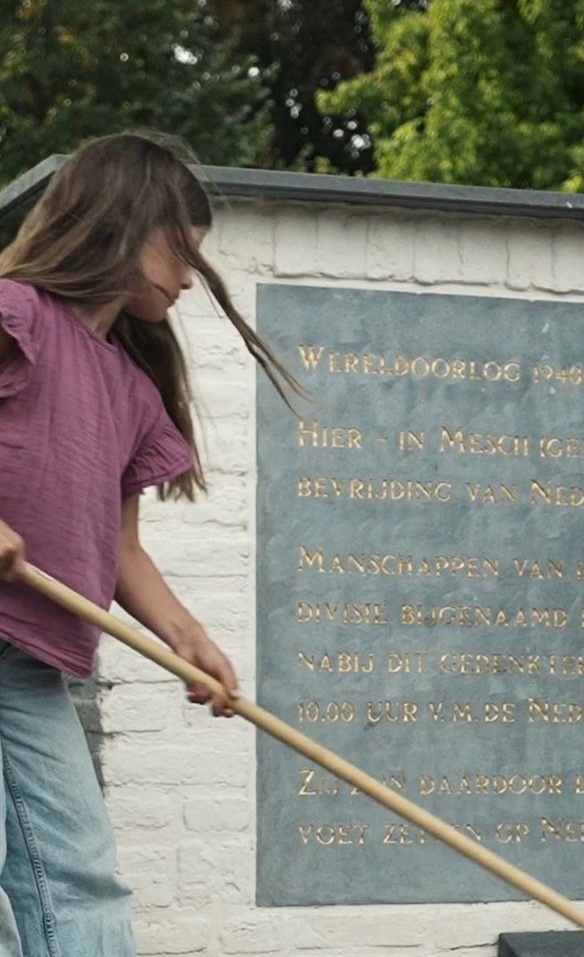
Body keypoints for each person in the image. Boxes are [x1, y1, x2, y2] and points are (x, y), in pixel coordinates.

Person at [0, 131, 298, 957]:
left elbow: (121, 545)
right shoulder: (14, 312)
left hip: (29, 662)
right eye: (183, 253)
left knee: (81, 872)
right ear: (125, 223)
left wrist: (187, 637)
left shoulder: (129, 388)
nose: (192, 280)